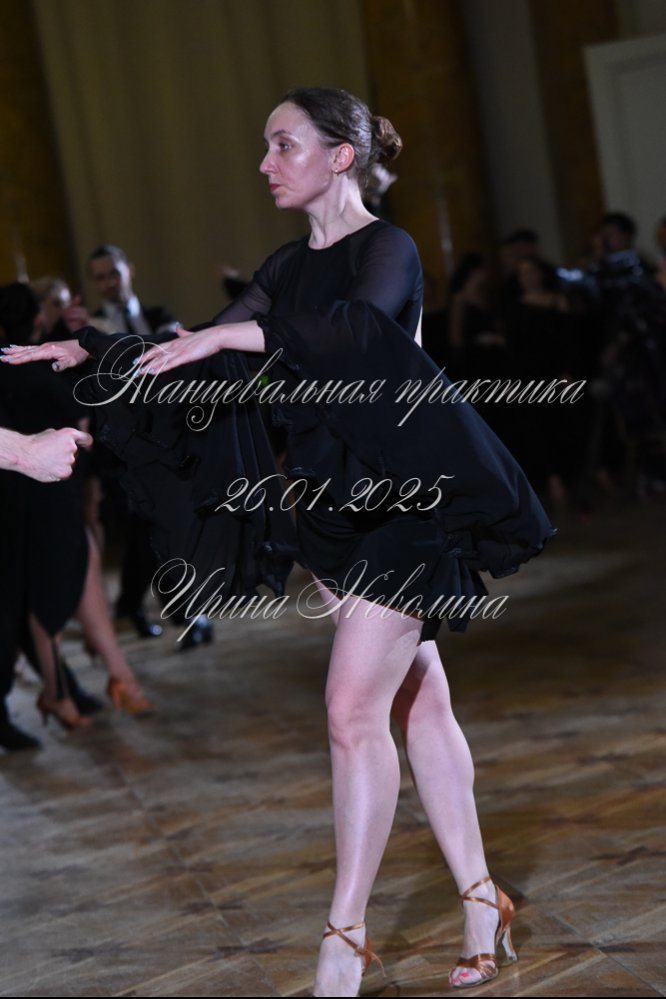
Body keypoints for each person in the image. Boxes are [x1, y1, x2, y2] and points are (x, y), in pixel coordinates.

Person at [2, 87, 554, 994]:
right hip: (332, 511)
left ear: (341, 155)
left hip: (407, 505)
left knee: (349, 710)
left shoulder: (388, 249)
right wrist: (92, 350)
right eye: (265, 147)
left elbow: (358, 334)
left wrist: (234, 331)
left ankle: (343, 938)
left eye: (283, 145)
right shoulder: (287, 267)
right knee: (419, 699)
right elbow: (206, 347)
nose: (265, 163)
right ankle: (481, 897)